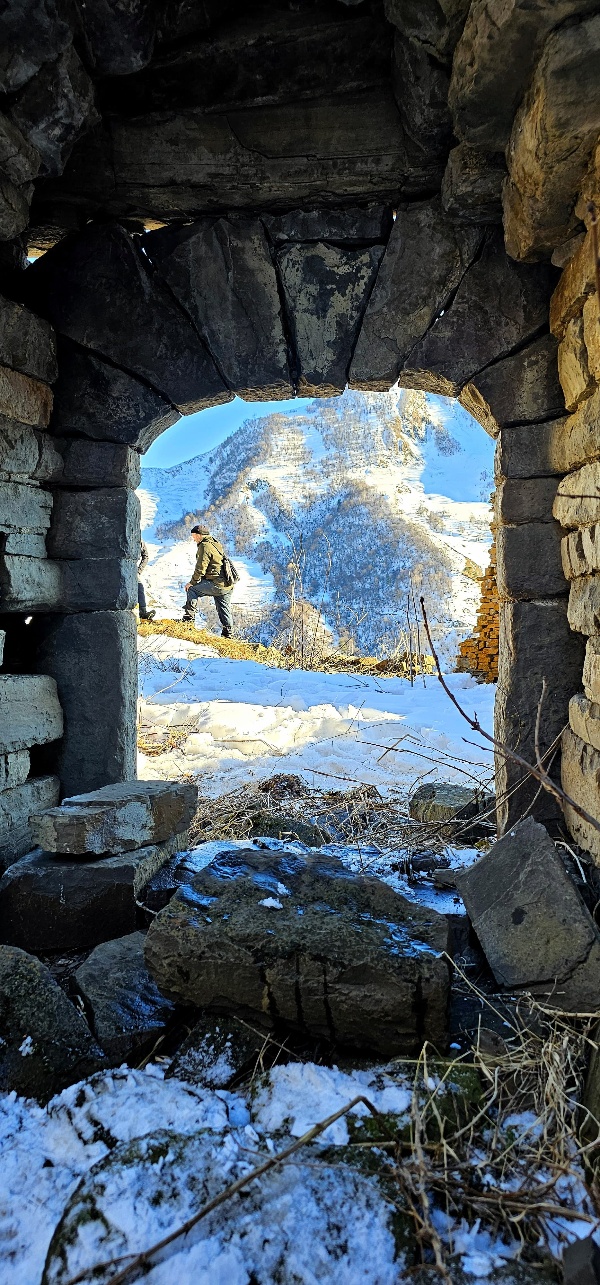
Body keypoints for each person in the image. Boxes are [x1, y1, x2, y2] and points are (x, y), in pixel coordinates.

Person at [182, 524, 235, 638]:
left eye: (194, 536)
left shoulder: (204, 546)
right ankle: (228, 635)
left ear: (199, 535)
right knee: (224, 608)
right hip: (227, 584)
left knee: (192, 590)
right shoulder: (215, 543)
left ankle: (188, 621)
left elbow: (201, 568)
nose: (193, 539)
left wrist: (192, 582)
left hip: (216, 584)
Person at [138, 540, 155, 621]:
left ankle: (143, 613)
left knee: (139, 587)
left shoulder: (140, 541)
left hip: (132, 570)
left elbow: (145, 556)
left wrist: (138, 571)